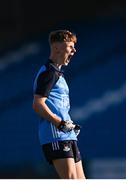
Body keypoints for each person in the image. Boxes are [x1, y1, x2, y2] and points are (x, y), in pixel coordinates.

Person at [32, 29, 86, 179]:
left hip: (66, 134)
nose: (74, 50)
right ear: (56, 47)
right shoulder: (49, 73)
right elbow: (37, 104)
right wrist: (60, 124)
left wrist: (68, 125)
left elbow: (58, 107)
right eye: (70, 46)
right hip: (56, 135)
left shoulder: (57, 73)